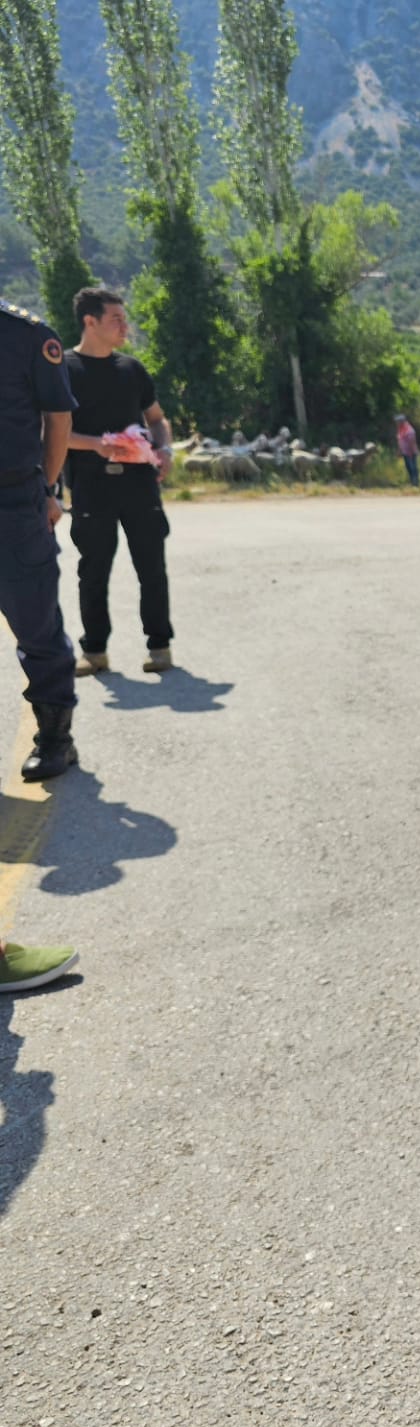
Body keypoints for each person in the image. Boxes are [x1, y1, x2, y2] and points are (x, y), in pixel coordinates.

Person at [0, 295, 82, 991]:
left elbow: (59, 419)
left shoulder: (28, 337)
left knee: (39, 631)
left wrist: (48, 488)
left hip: (13, 506)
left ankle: (54, 735)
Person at [63, 287, 175, 677]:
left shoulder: (132, 369)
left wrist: (164, 450)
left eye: (124, 320)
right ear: (89, 322)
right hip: (91, 485)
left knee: (151, 566)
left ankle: (160, 647)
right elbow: (52, 432)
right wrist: (99, 445)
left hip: (140, 484)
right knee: (93, 569)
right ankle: (95, 652)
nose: (124, 327)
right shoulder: (63, 370)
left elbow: (158, 419)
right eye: (116, 320)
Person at [394, 413, 420, 486]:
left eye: (397, 422)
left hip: (411, 452)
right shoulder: (401, 429)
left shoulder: (409, 430)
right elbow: (400, 441)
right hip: (405, 452)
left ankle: (416, 482)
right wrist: (399, 451)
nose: (396, 423)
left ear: (401, 421)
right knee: (409, 467)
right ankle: (412, 481)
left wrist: (411, 452)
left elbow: (412, 442)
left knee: (413, 467)